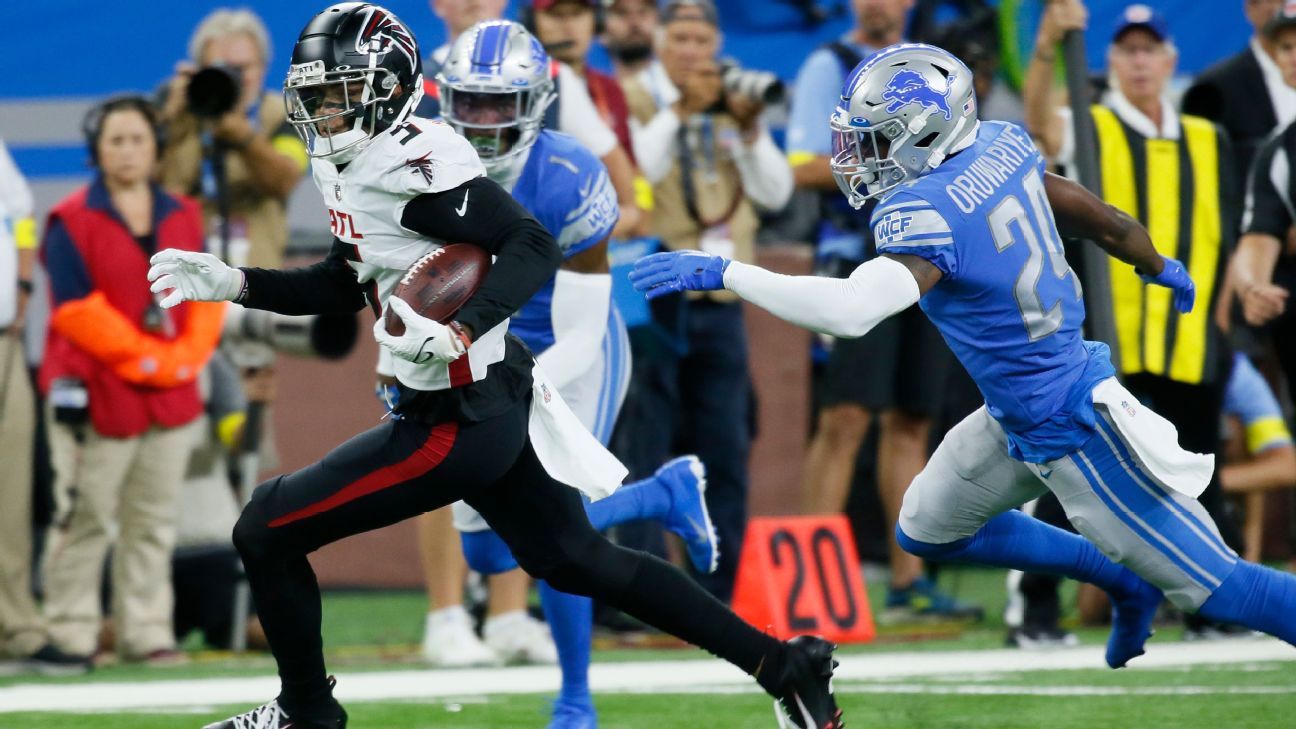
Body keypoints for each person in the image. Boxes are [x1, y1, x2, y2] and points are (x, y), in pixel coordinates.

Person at [149, 5, 840, 729]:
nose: (324, 109)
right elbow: (347, 277)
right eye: (317, 93)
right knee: (577, 559)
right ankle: (784, 664)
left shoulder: (415, 160)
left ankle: (307, 710)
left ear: (386, 90)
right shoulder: (348, 153)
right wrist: (236, 282)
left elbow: (530, 243)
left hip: (457, 414)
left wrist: (461, 330)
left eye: (341, 92)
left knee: (265, 525)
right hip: (484, 399)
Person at [632, 42, 1296, 672]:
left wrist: (726, 270)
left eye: (877, 138)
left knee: (1225, 588)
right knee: (927, 531)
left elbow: (852, 311)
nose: (860, 155)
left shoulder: (926, 210)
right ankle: (1118, 570)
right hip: (1013, 414)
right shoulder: (1001, 145)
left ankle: (1136, 569)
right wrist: (1155, 261)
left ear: (925, 133)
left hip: (1076, 423)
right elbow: (1095, 215)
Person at [432, 22, 720, 726]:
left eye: (502, 105)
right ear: (445, 99)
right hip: (480, 345)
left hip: (568, 344)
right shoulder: (417, 164)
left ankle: (575, 698)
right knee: (484, 548)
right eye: (471, 101)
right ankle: (660, 493)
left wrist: (510, 383)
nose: (484, 121)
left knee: (556, 533)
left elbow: (585, 330)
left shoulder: (569, 175)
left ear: (537, 101)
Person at [1025, 2, 1247, 638]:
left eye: (1151, 50)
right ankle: (1035, 605)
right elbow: (1040, 125)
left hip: (1189, 336)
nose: (1141, 61)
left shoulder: (1209, 138)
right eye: (1128, 50)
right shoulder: (1089, 127)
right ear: (1112, 61)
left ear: (1171, 60)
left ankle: (1208, 605)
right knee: (1073, 474)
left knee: (1199, 478)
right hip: (1107, 332)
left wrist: (1224, 317)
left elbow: (1230, 231)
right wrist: (1046, 47)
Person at [786, 0, 978, 622]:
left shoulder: (932, 69)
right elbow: (803, 166)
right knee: (844, 417)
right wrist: (892, 156)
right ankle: (811, 583)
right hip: (857, 256)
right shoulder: (830, 64)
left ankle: (908, 581)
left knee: (911, 421)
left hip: (928, 257)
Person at [618, 0, 793, 600]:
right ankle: (642, 589)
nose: (693, 50)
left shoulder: (731, 96)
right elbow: (640, 163)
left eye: (703, 38)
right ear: (661, 39)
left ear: (717, 43)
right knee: (642, 443)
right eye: (682, 37)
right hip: (655, 299)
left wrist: (747, 131)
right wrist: (679, 109)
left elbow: (775, 190)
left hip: (722, 297)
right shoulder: (634, 96)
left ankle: (718, 590)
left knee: (724, 444)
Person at [39, 96, 223, 664]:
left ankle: (147, 633)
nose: (127, 150)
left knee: (152, 520)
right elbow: (74, 310)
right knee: (88, 517)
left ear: (156, 149)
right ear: (97, 150)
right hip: (97, 392)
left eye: (137, 139)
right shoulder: (69, 219)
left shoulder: (185, 215)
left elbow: (206, 295)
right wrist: (150, 360)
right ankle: (69, 634)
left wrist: (187, 358)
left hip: (170, 394)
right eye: (115, 140)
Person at [0, 138, 89, 675]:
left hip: (3, 345)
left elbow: (23, 213)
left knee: (10, 492)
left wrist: (25, 280)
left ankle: (16, 626)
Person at [157, 7, 308, 270]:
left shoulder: (283, 115)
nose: (233, 78)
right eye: (221, 69)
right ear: (198, 69)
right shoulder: (174, 110)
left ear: (262, 67)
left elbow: (285, 180)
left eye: (242, 68)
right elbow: (134, 185)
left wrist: (245, 137)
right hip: (178, 275)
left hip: (253, 279)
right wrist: (167, 122)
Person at [1233, 6, 1296, 399]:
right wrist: (1252, 287)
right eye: (1286, 47)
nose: (1293, 56)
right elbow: (1258, 239)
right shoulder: (1278, 150)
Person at [1182, 0, 1290, 192]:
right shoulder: (1215, 87)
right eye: (1269, 0)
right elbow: (1196, 176)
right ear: (1249, 8)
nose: (1279, 6)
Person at [602, 0, 658, 81]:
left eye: (642, 12)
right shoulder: (587, 79)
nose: (634, 22)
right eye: (622, 13)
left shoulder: (674, 76)